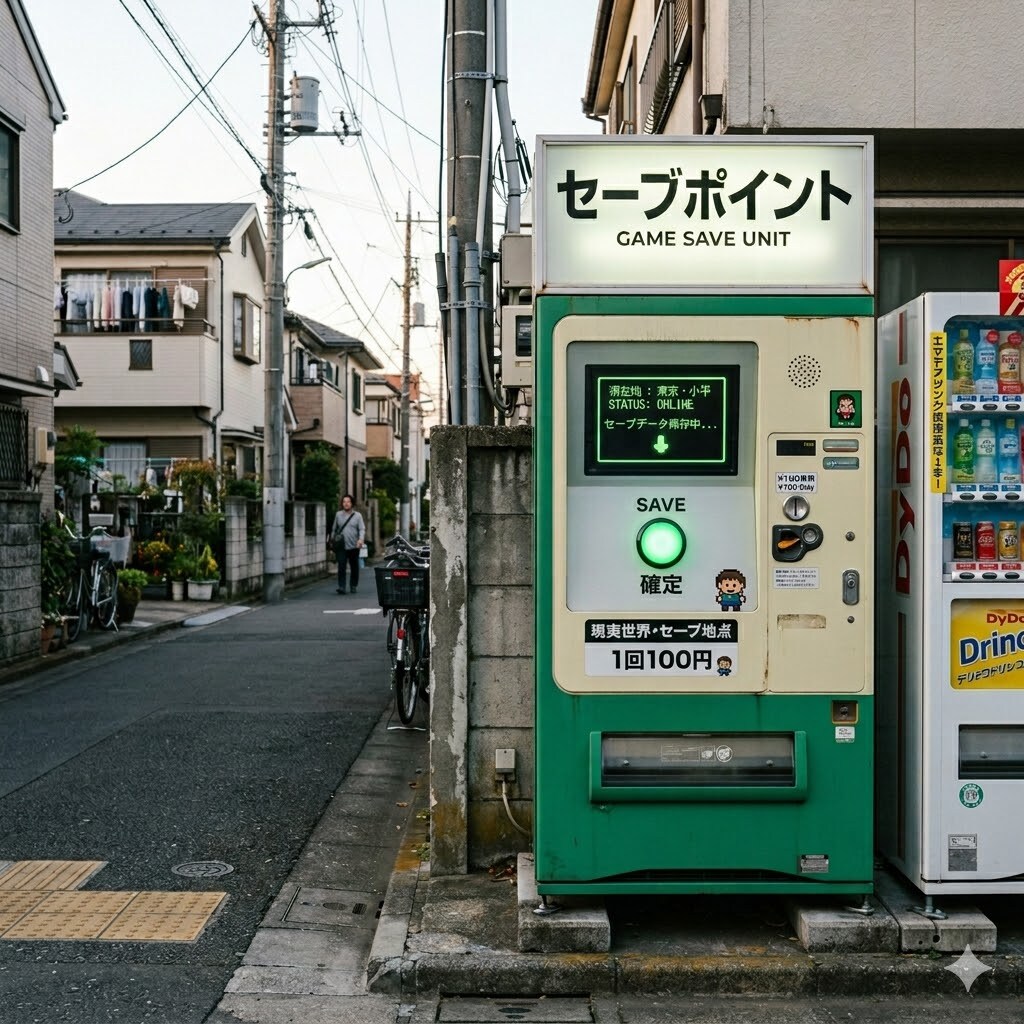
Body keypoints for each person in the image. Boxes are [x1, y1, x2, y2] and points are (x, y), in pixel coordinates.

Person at [330, 494, 365, 594]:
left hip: (354, 545)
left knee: (354, 567)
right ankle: (342, 586)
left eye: (348, 502)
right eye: (344, 502)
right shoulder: (338, 515)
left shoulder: (358, 516)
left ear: (352, 503)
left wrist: (361, 539)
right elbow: (334, 529)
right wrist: (332, 541)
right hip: (341, 546)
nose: (346, 504)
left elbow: (362, 529)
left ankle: (353, 585)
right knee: (341, 566)